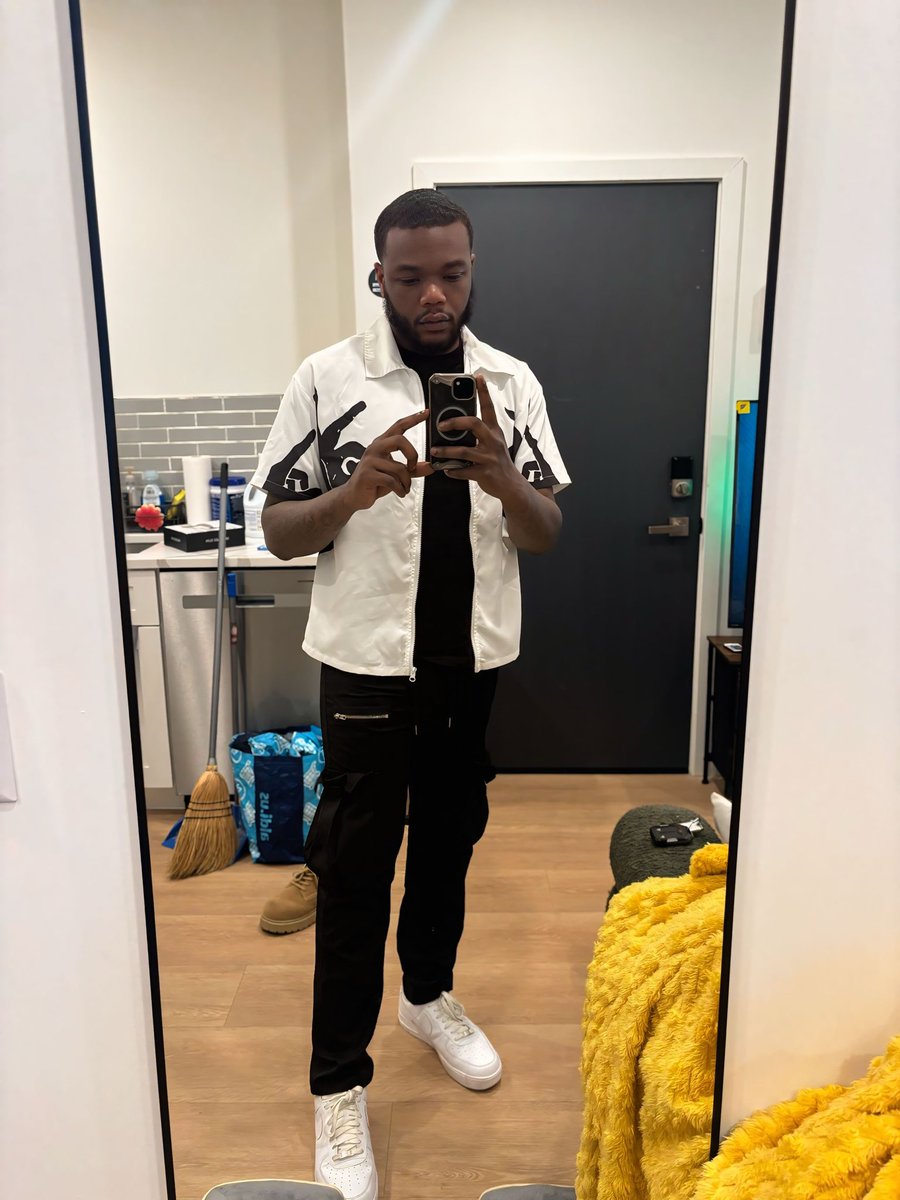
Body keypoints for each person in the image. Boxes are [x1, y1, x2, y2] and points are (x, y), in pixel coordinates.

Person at [250, 189, 570, 1200]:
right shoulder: (327, 379)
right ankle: (338, 1086)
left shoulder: (510, 384)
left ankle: (426, 996)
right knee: (353, 871)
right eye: (411, 275)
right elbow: (277, 530)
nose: (434, 295)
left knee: (446, 842)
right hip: (365, 665)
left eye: (453, 273)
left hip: (469, 666)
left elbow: (544, 532)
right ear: (378, 276)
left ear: (472, 272)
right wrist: (353, 493)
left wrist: (503, 477)